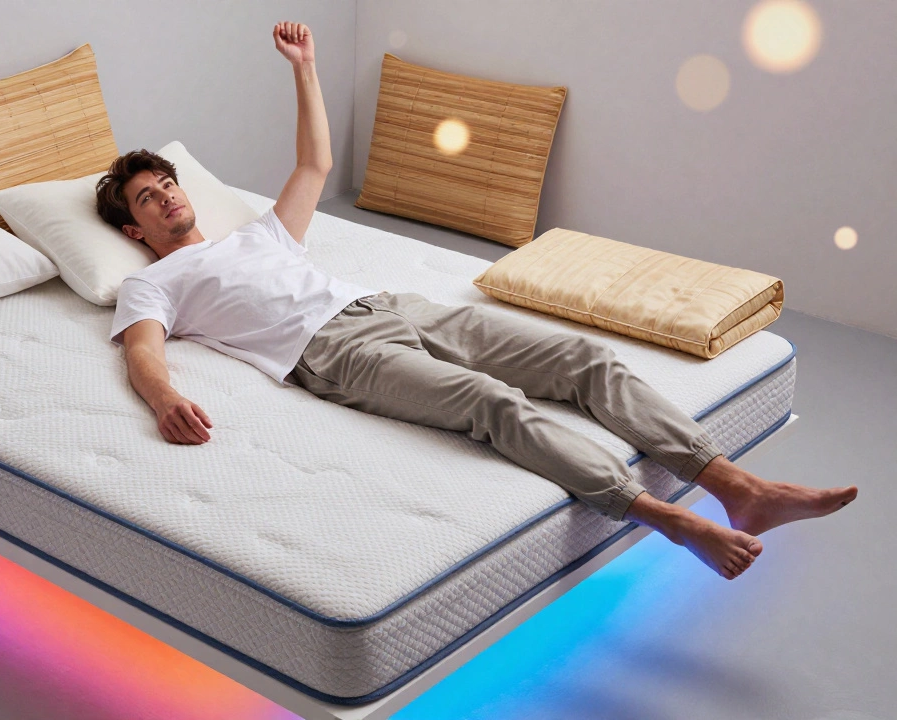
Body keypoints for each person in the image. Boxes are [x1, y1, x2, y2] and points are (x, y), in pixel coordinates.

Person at [93, 22, 857, 580]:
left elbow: (315, 161)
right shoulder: (151, 282)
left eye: (168, 185)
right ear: (134, 227)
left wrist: (306, 66)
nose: (165, 199)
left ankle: (735, 485)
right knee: (493, 404)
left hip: (393, 307)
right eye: (147, 200)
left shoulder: (257, 235)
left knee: (582, 358)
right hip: (330, 355)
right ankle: (670, 519)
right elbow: (144, 354)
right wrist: (163, 402)